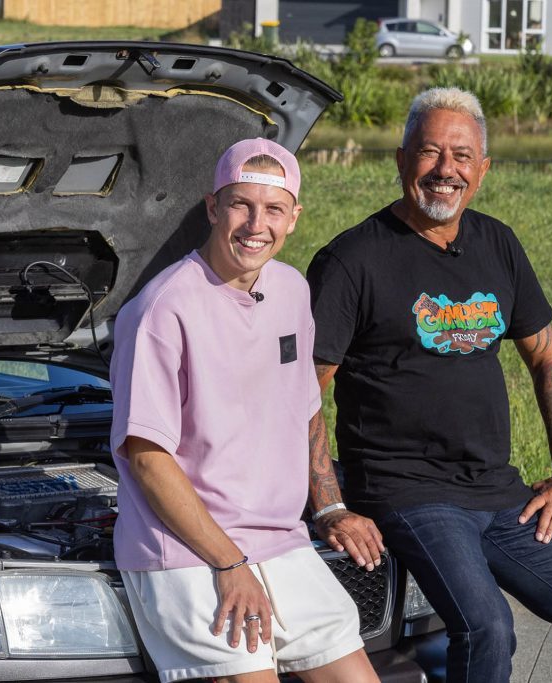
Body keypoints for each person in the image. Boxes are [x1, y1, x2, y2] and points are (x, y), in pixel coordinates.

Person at [306, 87, 552, 683]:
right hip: (406, 490)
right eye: (431, 152)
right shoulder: (352, 260)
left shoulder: (498, 244)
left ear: (483, 169)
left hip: (498, 490)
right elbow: (304, 394)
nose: (446, 170)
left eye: (462, 156)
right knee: (487, 626)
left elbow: (548, 359)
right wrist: (330, 505)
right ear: (401, 158)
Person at [109, 138, 383, 683]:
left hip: (281, 541)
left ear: (294, 218)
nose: (256, 224)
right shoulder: (162, 310)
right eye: (240, 205)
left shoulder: (291, 290)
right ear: (213, 207)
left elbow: (306, 407)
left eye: (274, 209)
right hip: (190, 549)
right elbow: (146, 457)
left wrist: (328, 507)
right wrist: (230, 564)